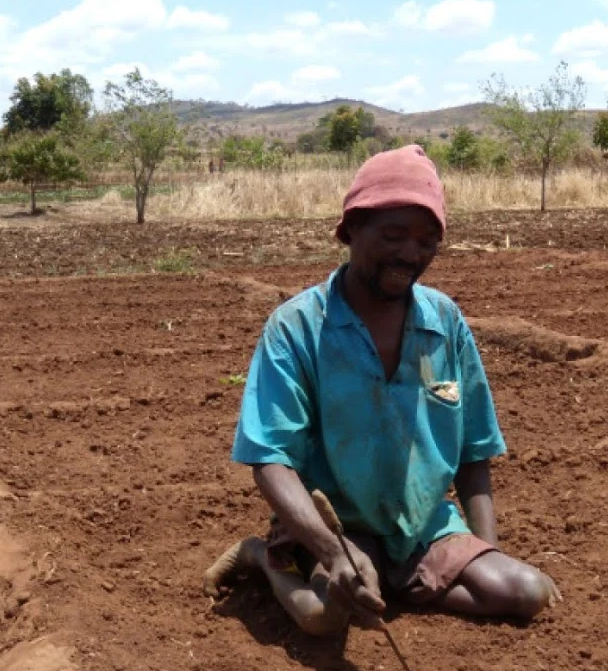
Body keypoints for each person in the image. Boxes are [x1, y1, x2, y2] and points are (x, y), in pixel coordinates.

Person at [203, 145, 560, 636]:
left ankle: (397, 579)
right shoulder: (297, 328)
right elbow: (268, 459)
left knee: (526, 592)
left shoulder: (444, 323)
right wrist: (331, 551)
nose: (411, 254)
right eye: (394, 236)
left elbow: (474, 451)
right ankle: (266, 558)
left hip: (424, 527)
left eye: (427, 242)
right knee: (327, 618)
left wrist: (485, 549)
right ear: (350, 229)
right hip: (338, 529)